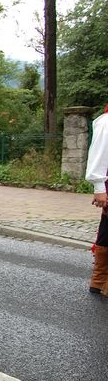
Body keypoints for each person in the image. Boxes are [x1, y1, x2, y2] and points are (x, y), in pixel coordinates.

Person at [84, 103, 108, 296]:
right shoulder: (106, 121)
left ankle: (100, 281)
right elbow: (99, 152)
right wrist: (99, 186)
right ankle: (100, 279)